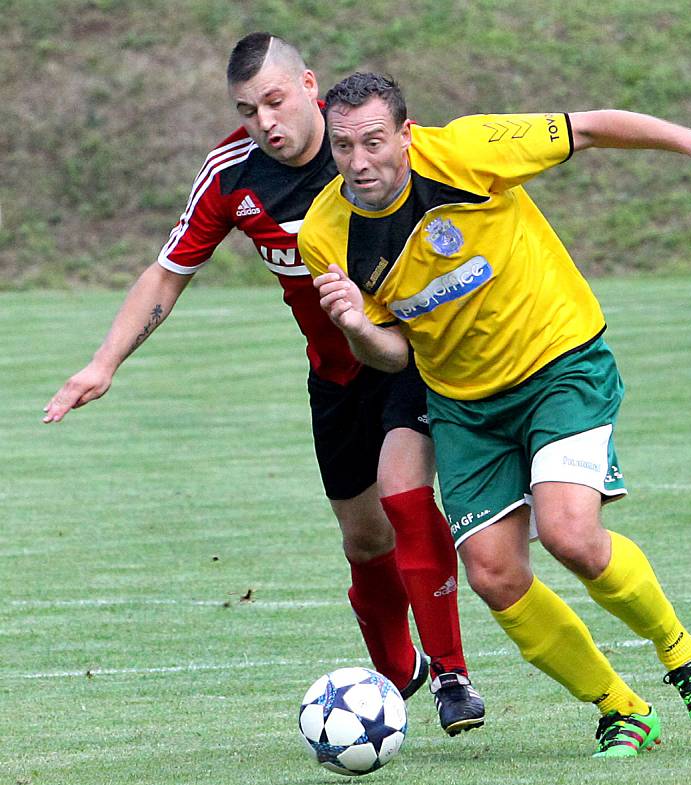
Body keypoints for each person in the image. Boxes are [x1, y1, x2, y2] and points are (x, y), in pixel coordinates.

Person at [302, 71, 691, 757]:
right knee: (493, 574)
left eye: (374, 141)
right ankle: (620, 708)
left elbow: (587, 126)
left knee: (570, 534)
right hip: (463, 405)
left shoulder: (469, 150)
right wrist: (354, 326)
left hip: (559, 364)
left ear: (405, 133)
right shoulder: (326, 233)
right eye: (343, 147)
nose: (359, 161)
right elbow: (391, 357)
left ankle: (682, 654)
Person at [42, 36, 485, 737]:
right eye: (248, 110)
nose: (264, 121)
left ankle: (452, 675)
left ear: (308, 84)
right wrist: (104, 363)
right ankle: (397, 680)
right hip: (335, 374)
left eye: (275, 100)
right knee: (364, 542)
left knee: (404, 498)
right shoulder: (232, 174)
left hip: (409, 357)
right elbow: (167, 272)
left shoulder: (368, 149)